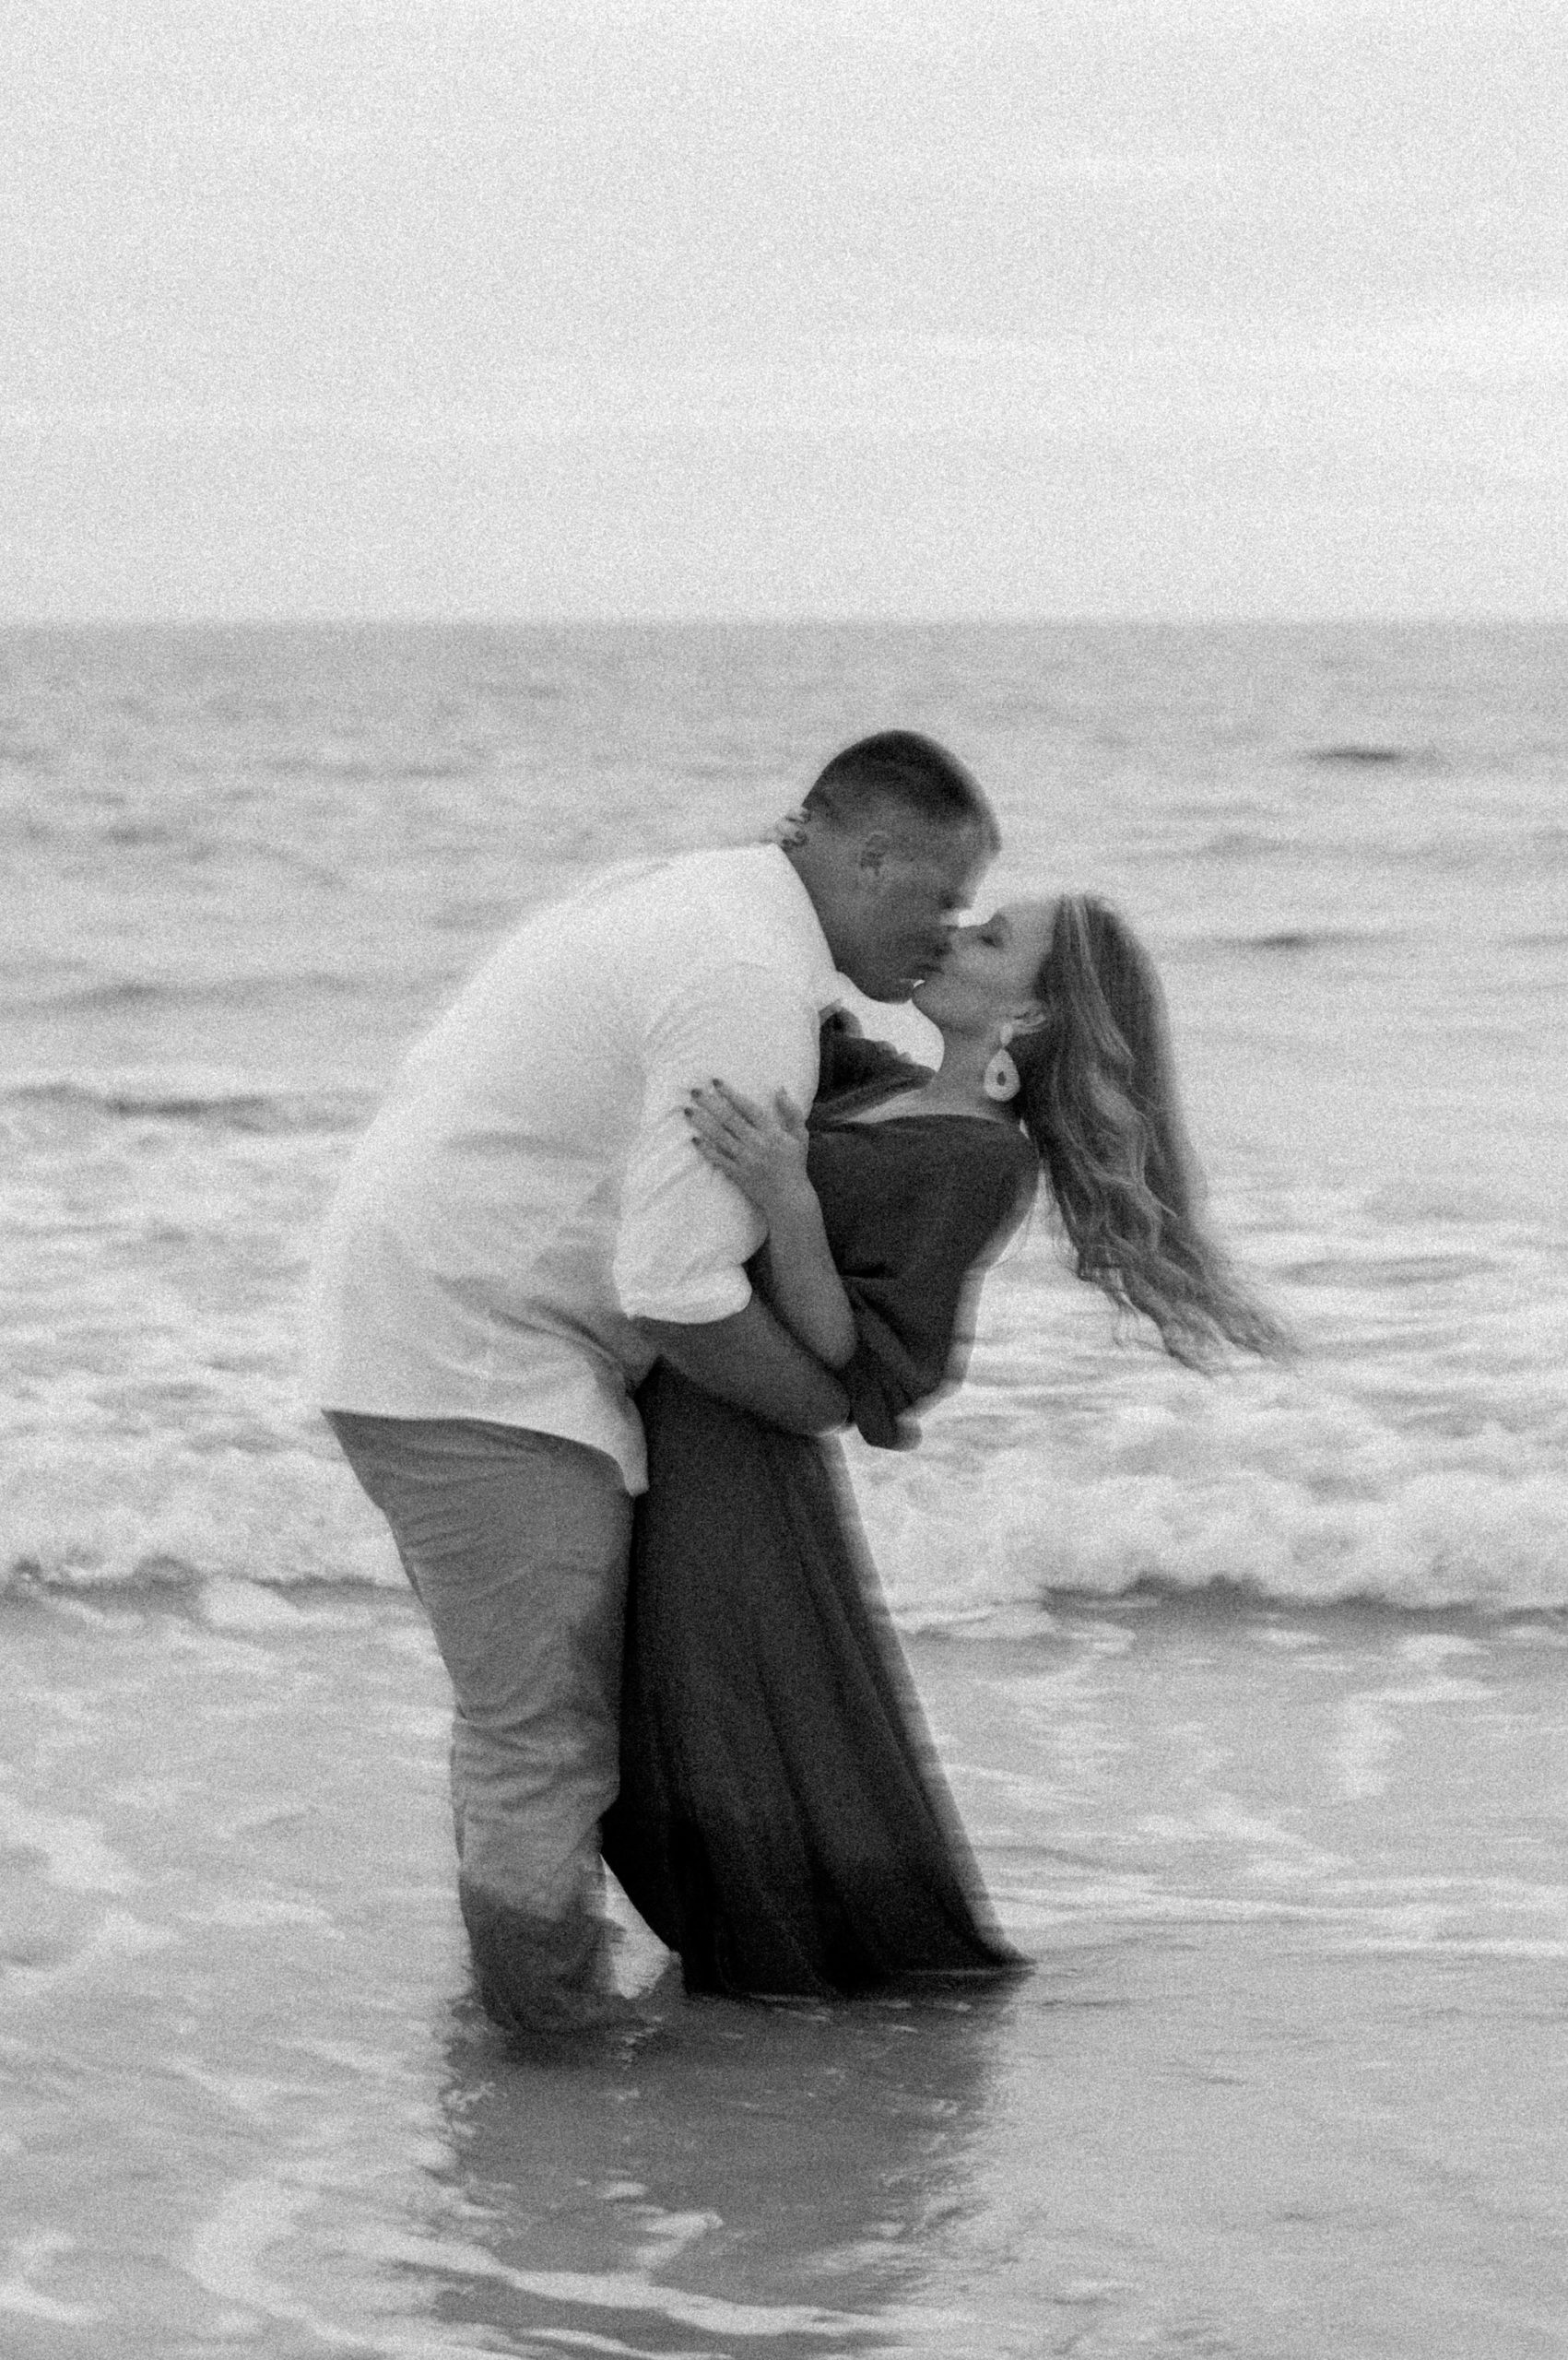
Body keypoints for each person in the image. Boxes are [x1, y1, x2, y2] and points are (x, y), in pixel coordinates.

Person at [305, 731, 997, 2035]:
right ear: (869, 854)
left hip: (439, 1326)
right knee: (541, 1728)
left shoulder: (694, 896)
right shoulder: (744, 970)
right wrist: (824, 1403)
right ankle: (547, 2057)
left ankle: (521, 2015)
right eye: (939, 898)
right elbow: (674, 1289)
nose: (946, 933)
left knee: (523, 1713)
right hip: (476, 1353)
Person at [603, 893, 1287, 2000]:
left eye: (989, 939)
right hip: (682, 1390)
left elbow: (853, 1353)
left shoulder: (979, 1158)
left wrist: (786, 1193)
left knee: (705, 1707)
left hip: (739, 1436)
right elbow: (784, 973)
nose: (954, 933)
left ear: (1029, 1015)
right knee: (647, 1699)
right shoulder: (880, 1082)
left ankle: (741, 1999)